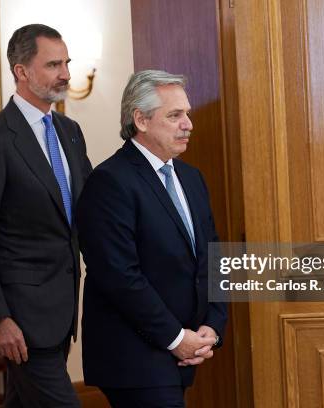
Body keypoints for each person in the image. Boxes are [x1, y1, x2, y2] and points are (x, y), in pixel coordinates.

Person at [76, 70, 227, 407]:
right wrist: (176, 339)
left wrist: (212, 328)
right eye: (175, 115)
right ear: (140, 120)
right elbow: (119, 277)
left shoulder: (191, 177)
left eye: (187, 114)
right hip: (135, 357)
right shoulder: (110, 182)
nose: (188, 124)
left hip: (185, 350)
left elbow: (214, 257)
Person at [0, 24, 92, 408]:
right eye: (54, 64)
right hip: (22, 323)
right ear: (21, 71)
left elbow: (85, 212)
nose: (66, 74)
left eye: (66, 63)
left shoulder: (70, 131)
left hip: (63, 311)